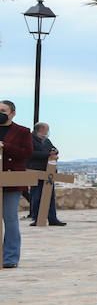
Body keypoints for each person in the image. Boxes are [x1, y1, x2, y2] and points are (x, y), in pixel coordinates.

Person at [0, 100, 33, 269]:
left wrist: (5, 145)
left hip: (11, 180)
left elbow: (27, 153)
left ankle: (10, 257)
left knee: (10, 218)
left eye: (3, 110)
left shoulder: (23, 132)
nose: (0, 113)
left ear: (12, 113)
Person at [26, 123, 66, 226]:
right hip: (36, 171)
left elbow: (54, 149)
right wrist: (48, 154)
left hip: (48, 172)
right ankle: (37, 218)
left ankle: (52, 218)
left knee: (50, 196)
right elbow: (31, 153)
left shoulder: (46, 140)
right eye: (47, 130)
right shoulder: (30, 139)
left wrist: (54, 151)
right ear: (41, 130)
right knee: (37, 195)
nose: (48, 132)